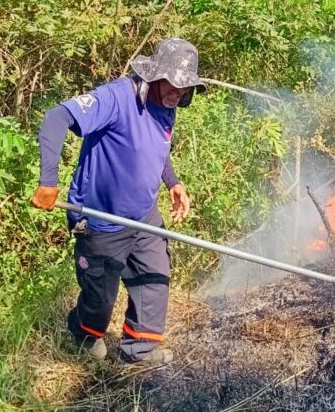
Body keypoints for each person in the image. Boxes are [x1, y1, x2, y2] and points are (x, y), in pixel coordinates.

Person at [30, 38, 205, 366]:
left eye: (184, 90)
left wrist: (173, 182)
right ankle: (83, 334)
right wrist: (48, 182)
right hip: (101, 220)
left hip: (143, 214)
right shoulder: (117, 98)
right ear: (154, 75)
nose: (177, 94)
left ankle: (139, 349)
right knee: (100, 300)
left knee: (155, 276)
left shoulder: (168, 105)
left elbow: (157, 147)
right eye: (173, 85)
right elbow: (55, 118)